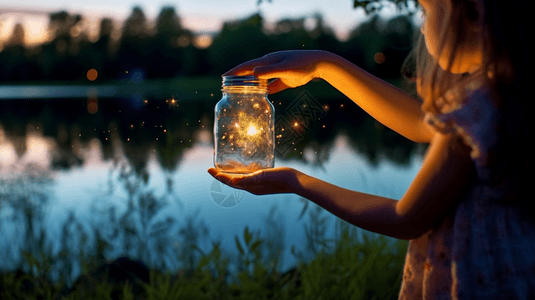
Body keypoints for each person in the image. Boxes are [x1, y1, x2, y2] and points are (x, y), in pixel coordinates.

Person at [208, 0, 535, 298]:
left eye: (426, 11)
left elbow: (405, 219)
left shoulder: (479, 107)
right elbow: (423, 125)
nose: (420, 25)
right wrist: (325, 65)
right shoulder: (509, 98)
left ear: (474, 13)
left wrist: (296, 182)